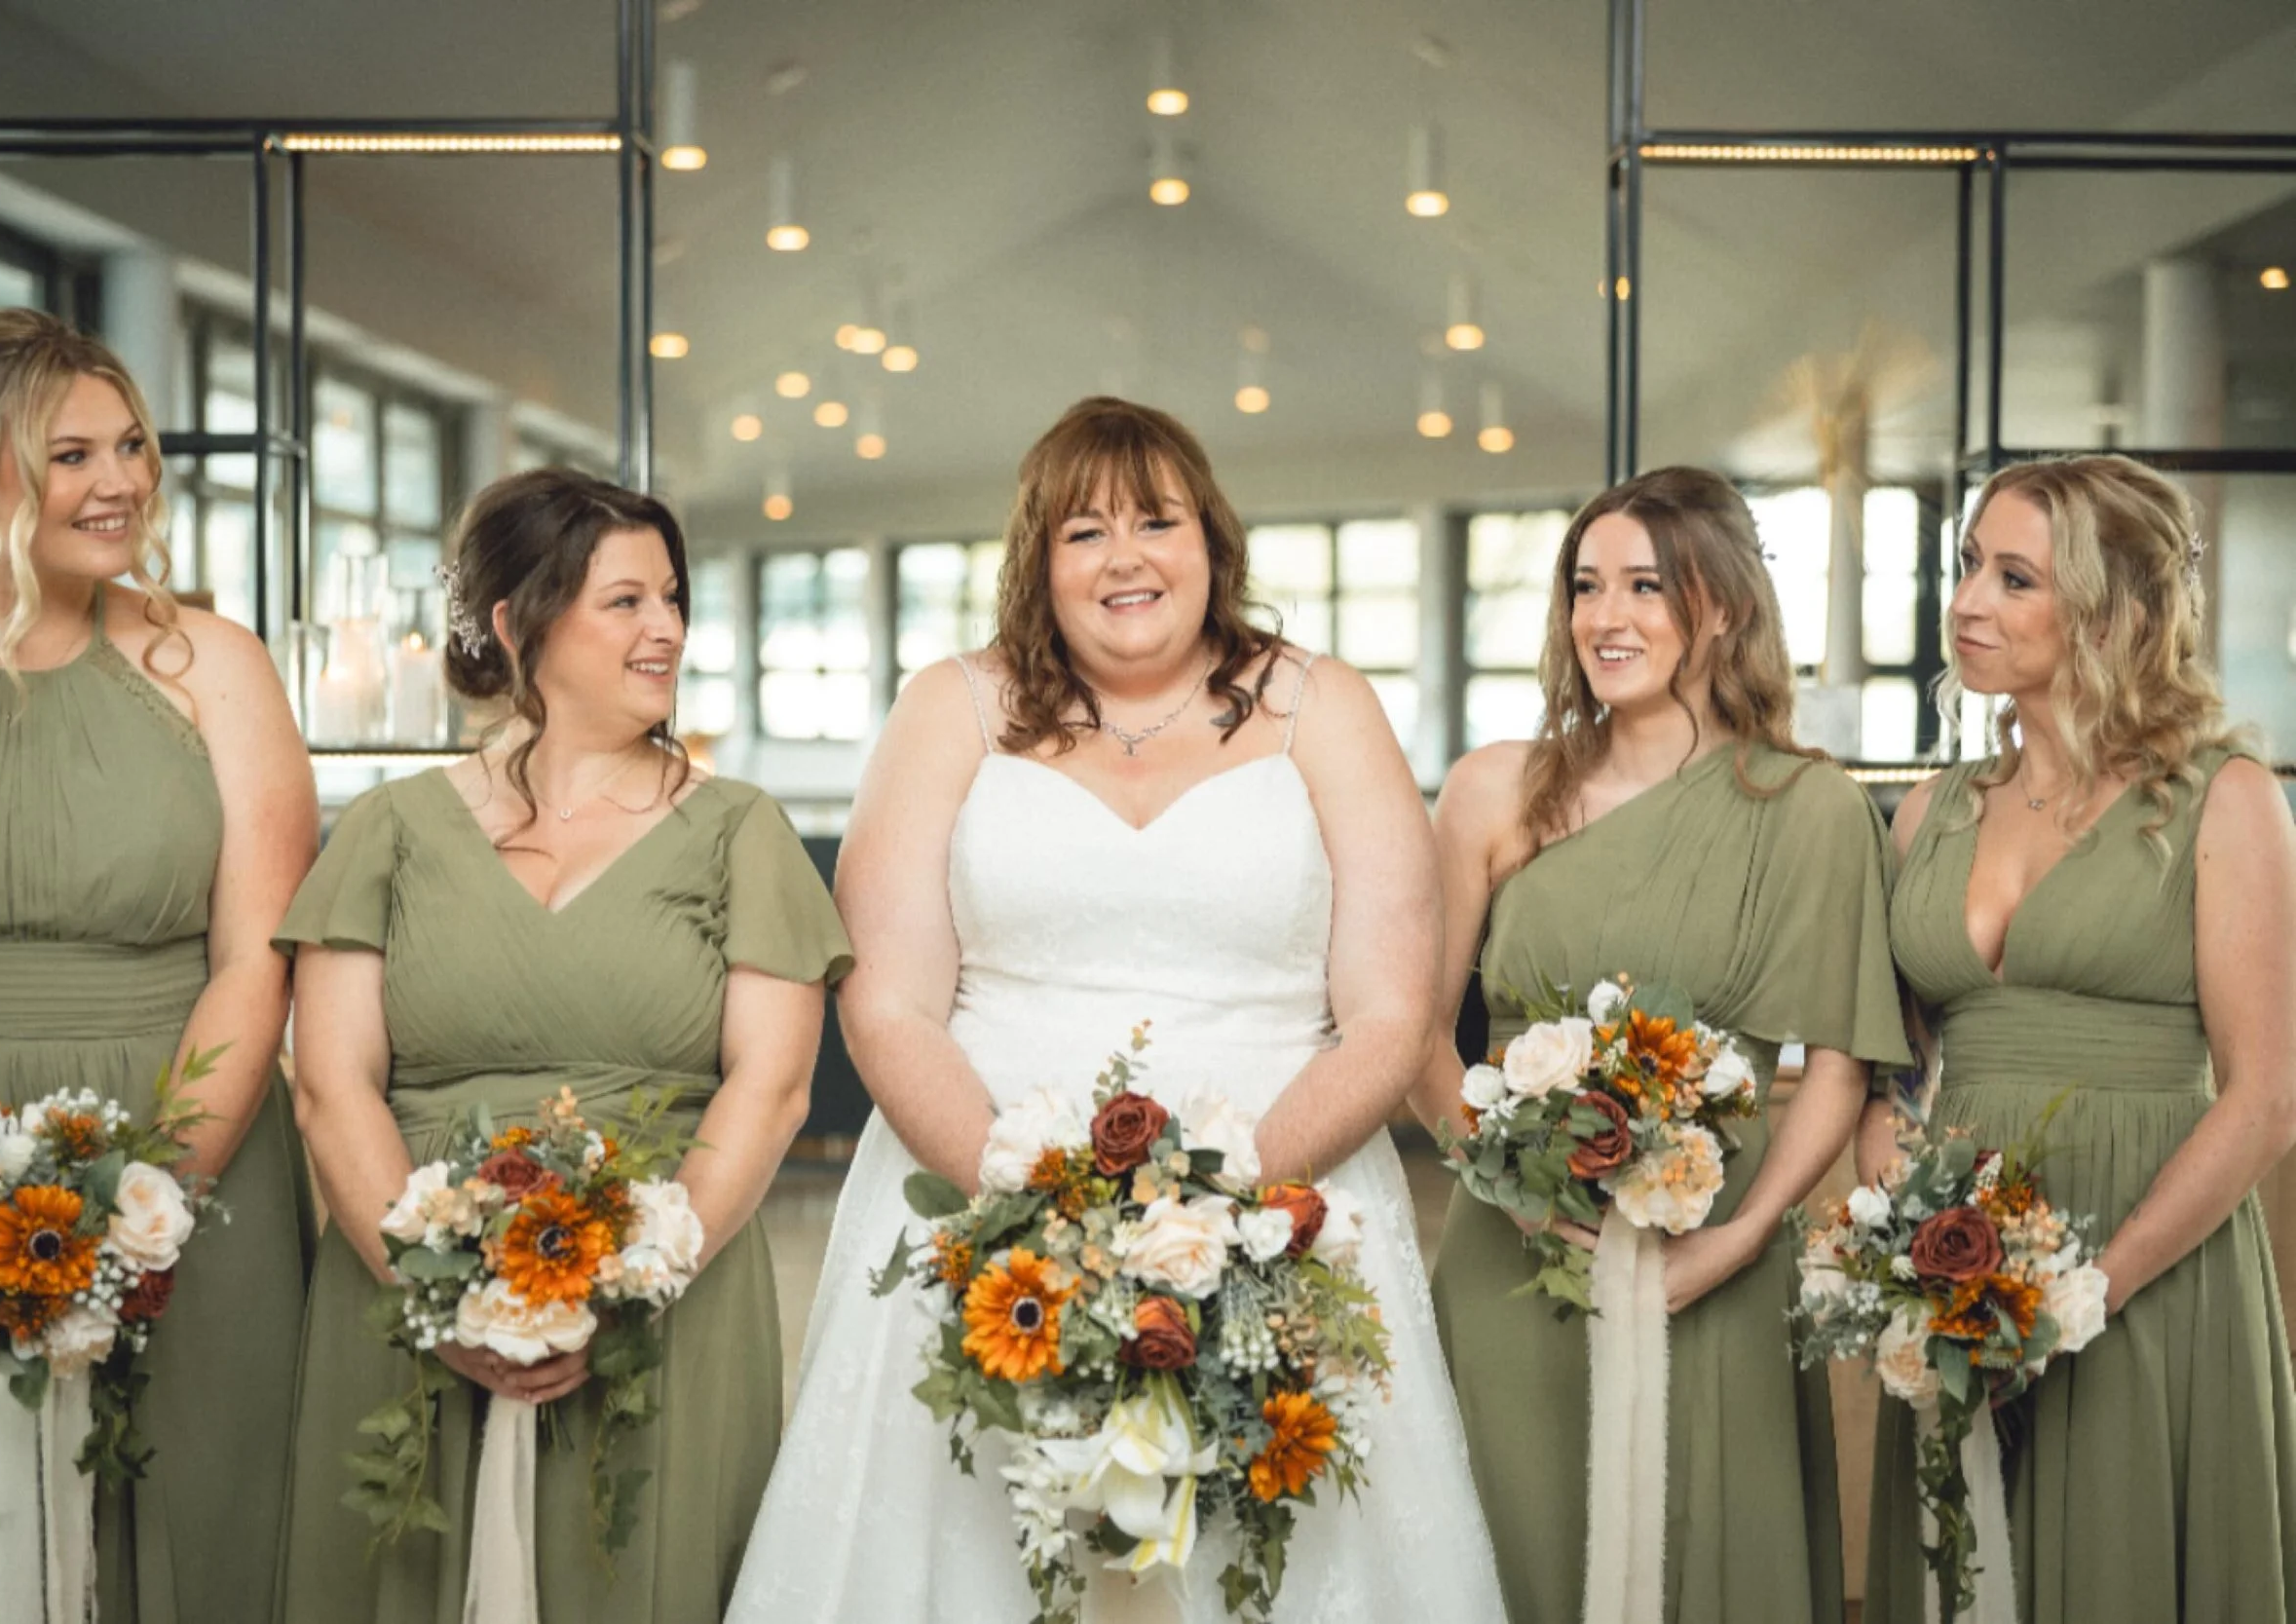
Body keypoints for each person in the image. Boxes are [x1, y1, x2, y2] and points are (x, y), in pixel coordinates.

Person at [729, 397, 1505, 1623]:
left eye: (1158, 519)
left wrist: (1222, 1210)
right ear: (1039, 561)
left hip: (1284, 1205)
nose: (1127, 556)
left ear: (1214, 542)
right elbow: (888, 1002)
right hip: (979, 1202)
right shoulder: (953, 706)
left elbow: (1388, 1010)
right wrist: (1025, 1205)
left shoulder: (1322, 704)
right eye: (1084, 531)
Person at [275, 469, 849, 1623]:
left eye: (673, 599)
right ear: (516, 622)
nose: (669, 629)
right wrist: (446, 1304)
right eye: (627, 601)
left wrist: (630, 1284)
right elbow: (332, 1086)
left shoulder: (740, 829)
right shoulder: (391, 827)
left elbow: (773, 1089)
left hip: (664, 1299)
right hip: (404, 1293)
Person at [0, 308, 316, 1624]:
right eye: (71, 454)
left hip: (177, 1158)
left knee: (184, 1530)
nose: (120, 481)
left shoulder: (215, 669)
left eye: (130, 445)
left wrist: (145, 1212)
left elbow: (254, 960)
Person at [1421, 466, 1909, 1624]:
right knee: (1507, 1545)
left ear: (1723, 606)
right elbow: (1419, 1036)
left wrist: (1737, 1242)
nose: (1606, 616)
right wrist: (1515, 1194)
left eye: (1647, 585)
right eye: (1586, 585)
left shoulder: (1811, 808)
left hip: (1714, 1268)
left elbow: (1838, 1065)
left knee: (1710, 1553)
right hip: (1513, 1259)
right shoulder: (1496, 789)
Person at [1856, 455, 2296, 1623]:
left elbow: (2264, 1100)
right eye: (1965, 567)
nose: (1966, 603)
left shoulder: (2224, 797)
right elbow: (1890, 1073)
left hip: (2149, 1263)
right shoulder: (1928, 811)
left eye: (2013, 578)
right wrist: (1916, 1256)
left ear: (2109, 611)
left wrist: (2082, 1293)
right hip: (1961, 1269)